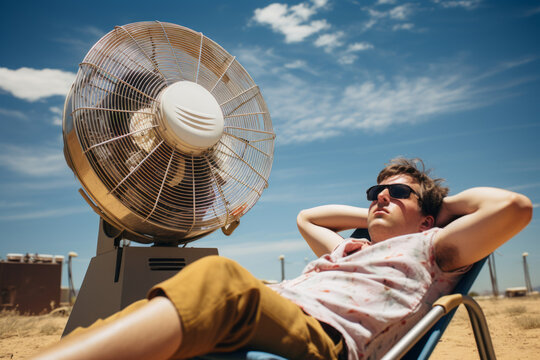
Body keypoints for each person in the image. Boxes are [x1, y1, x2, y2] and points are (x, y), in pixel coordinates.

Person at [34, 158, 532, 360]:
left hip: (325, 339)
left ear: (428, 218)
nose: (380, 197)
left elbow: (513, 207)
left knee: (218, 278)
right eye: (374, 191)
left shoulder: (434, 249)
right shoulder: (348, 249)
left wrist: (435, 207)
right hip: (276, 315)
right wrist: (390, 203)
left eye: (396, 192)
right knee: (166, 304)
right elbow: (307, 217)